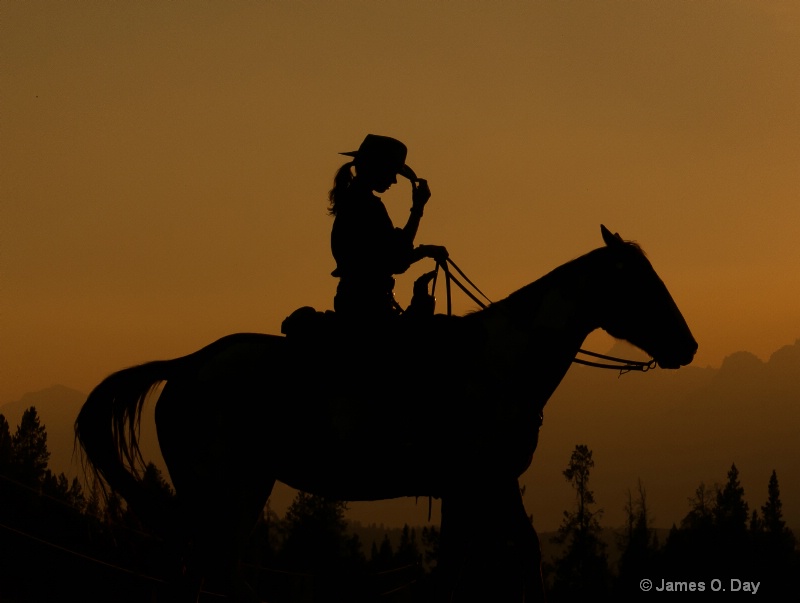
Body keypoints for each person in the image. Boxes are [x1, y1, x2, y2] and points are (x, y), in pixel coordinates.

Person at [328, 134, 447, 321]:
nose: (394, 180)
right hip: (368, 307)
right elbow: (397, 259)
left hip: (356, 301)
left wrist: (425, 251)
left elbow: (391, 256)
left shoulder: (354, 202)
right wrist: (417, 209)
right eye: (392, 172)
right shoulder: (367, 206)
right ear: (377, 169)